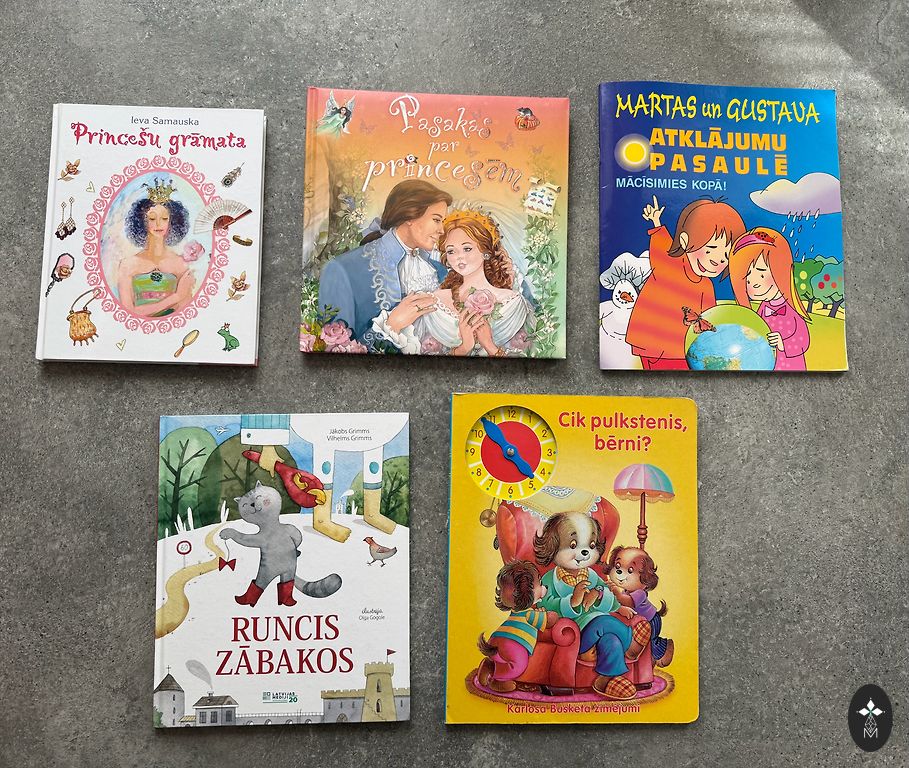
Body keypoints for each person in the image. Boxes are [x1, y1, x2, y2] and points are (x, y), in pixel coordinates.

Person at [317, 180, 452, 350]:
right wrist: (392, 325)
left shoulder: (439, 271)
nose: (442, 230)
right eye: (436, 220)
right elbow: (331, 353)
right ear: (410, 216)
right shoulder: (342, 269)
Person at [626, 195, 745, 369]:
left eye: (726, 255)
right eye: (711, 248)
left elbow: (709, 318)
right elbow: (662, 242)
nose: (717, 260)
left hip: (681, 349)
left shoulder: (706, 286)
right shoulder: (669, 262)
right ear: (684, 241)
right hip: (652, 342)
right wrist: (656, 222)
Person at [396, 209, 535, 356]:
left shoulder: (514, 302)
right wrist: (464, 348)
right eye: (451, 251)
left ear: (485, 252)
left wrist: (489, 345)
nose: (459, 257)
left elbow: (531, 360)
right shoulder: (435, 302)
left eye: (467, 249)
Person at [729, 227, 811, 371]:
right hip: (766, 365)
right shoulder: (763, 307)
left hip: (790, 367)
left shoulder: (791, 311)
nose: (753, 283)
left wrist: (782, 343)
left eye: (761, 273)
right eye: (747, 276)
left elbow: (803, 341)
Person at [116, 178, 195, 317]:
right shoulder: (127, 265)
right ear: (142, 222)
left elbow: (185, 311)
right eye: (152, 219)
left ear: (172, 222)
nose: (159, 224)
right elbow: (129, 312)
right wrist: (176, 297)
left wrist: (179, 299)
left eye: (164, 219)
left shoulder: (180, 264)